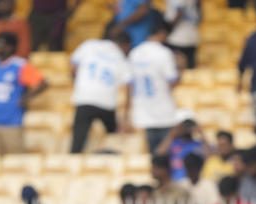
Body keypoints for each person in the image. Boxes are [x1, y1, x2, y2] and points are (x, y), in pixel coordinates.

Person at [0, 32, 47, 154]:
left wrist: (26, 97)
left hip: (12, 123)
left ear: (10, 47)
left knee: (14, 163)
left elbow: (43, 83)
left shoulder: (20, 65)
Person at [69, 30, 132, 153]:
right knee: (114, 136)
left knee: (77, 142)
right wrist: (125, 116)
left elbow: (72, 66)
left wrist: (77, 83)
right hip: (107, 102)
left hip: (84, 98)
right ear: (125, 45)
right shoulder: (119, 56)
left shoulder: (89, 45)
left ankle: (73, 164)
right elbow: (129, 85)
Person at [128, 19, 178, 153]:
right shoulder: (163, 53)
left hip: (143, 111)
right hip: (163, 111)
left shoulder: (135, 53)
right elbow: (172, 81)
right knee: (165, 156)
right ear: (162, 34)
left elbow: (129, 85)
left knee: (152, 157)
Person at [156, 110, 210, 181]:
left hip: (194, 182)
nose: (186, 128)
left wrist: (202, 135)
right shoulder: (173, 144)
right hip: (176, 182)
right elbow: (158, 155)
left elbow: (210, 158)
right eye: (184, 125)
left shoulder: (199, 144)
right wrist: (172, 135)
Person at [164, 0, 200, 69]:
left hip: (177, 38)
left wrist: (168, 30)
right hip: (191, 36)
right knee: (188, 71)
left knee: (177, 71)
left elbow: (180, 10)